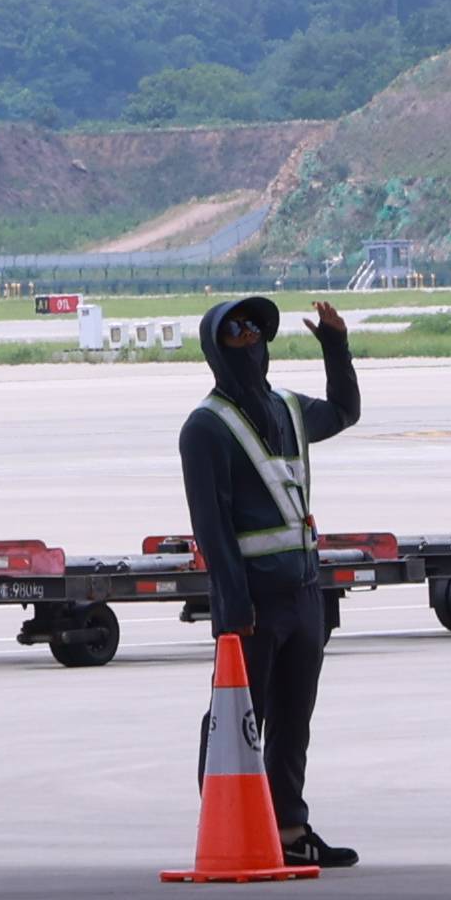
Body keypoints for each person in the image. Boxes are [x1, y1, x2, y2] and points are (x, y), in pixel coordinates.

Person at [174, 289, 364, 869]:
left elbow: (346, 410)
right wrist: (233, 605)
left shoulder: (287, 408)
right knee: (237, 714)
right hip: (252, 600)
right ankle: (227, 821)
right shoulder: (205, 428)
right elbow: (211, 526)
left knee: (293, 718)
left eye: (257, 331)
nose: (250, 341)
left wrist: (336, 345)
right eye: (236, 332)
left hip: (304, 593)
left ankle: (289, 827)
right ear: (216, 347)